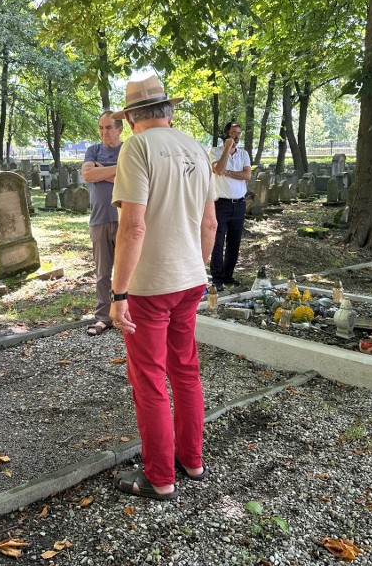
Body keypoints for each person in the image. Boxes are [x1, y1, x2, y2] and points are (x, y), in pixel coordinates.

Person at [109, 74, 217, 500]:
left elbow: (133, 226)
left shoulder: (136, 148)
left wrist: (118, 295)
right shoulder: (196, 148)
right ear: (167, 112)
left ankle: (159, 477)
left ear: (132, 118)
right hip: (190, 278)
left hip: (152, 285)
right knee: (186, 371)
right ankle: (192, 460)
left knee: (150, 379)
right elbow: (209, 223)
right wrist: (198, 266)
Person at [81, 111, 124, 336]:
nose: (104, 132)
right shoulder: (93, 150)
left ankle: (127, 314)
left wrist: (101, 171)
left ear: (120, 129)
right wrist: (116, 172)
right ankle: (102, 317)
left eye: (108, 127)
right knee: (102, 274)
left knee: (128, 272)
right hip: (98, 220)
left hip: (124, 220)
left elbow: (131, 177)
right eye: (100, 127)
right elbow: (87, 175)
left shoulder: (128, 150)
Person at [209, 121, 251, 290]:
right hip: (221, 204)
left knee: (234, 242)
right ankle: (217, 279)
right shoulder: (215, 152)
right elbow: (218, 170)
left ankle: (228, 276)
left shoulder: (243, 154)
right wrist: (227, 149)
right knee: (218, 242)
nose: (237, 136)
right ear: (226, 134)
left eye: (239, 133)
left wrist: (229, 173)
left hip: (239, 204)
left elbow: (247, 175)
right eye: (234, 132)